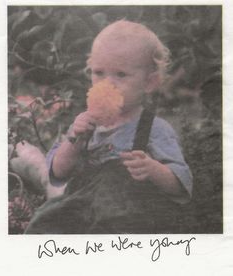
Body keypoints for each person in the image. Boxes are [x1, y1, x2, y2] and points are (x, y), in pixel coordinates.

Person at [25, 20, 193, 234]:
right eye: (99, 73)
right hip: (80, 205)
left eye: (121, 74)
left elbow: (181, 182)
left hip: (127, 212)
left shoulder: (154, 129)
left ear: (149, 82)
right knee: (43, 222)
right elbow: (59, 172)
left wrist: (153, 169)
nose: (107, 83)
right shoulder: (85, 125)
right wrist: (74, 141)